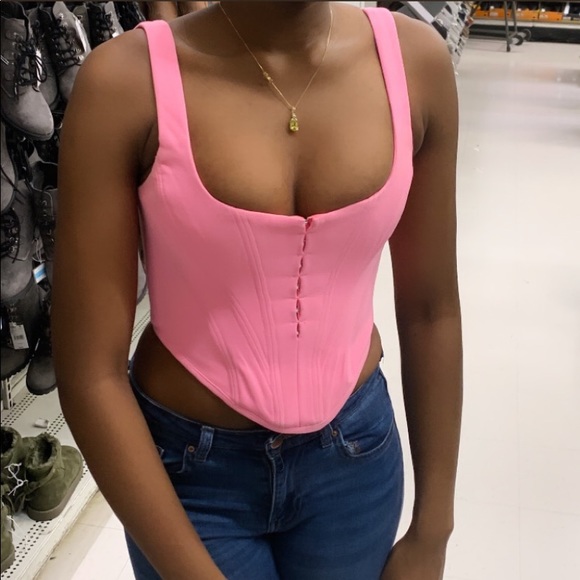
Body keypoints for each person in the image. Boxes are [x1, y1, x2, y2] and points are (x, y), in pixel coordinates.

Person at [52, 2, 462, 579]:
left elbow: (431, 310)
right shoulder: (124, 83)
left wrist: (433, 530)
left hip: (355, 463)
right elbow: (90, 372)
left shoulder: (415, 62)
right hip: (190, 480)